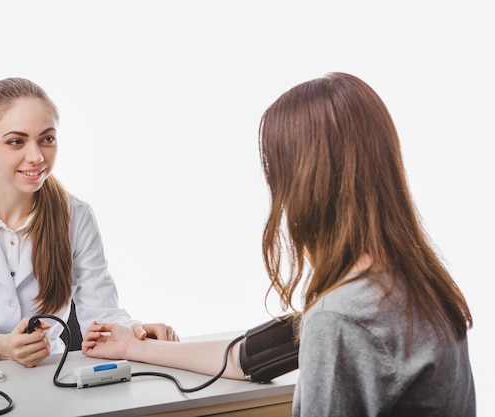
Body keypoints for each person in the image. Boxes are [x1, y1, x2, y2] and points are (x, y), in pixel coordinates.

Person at [82, 72, 475, 416]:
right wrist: (133, 348)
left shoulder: (342, 318)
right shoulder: (412, 286)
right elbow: (247, 359)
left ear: (305, 183)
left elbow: (325, 331)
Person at [0, 77, 178, 372]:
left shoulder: (75, 215)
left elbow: (101, 312)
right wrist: (1, 348)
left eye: (47, 139)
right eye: (16, 141)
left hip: (43, 377)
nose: (37, 157)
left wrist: (138, 333)